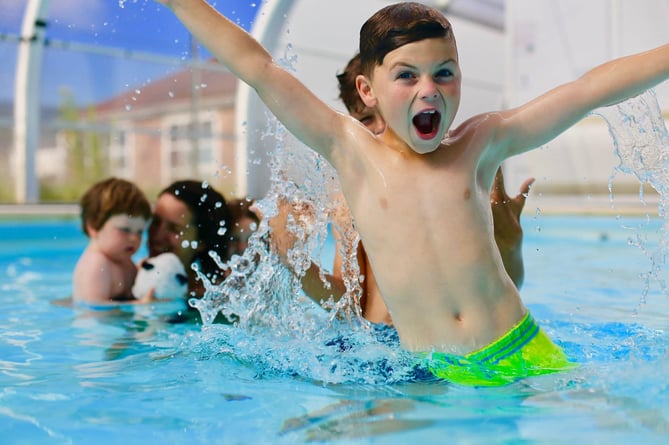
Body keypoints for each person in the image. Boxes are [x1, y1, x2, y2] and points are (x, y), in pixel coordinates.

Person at [155, 0, 669, 385]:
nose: (430, 89)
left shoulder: (479, 144)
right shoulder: (351, 152)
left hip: (524, 344)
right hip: (437, 369)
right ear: (367, 91)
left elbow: (585, 91)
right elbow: (261, 69)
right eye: (407, 75)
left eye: (445, 73)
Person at [270, 53, 533, 326]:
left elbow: (505, 292)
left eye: (390, 113)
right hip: (382, 345)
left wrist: (509, 243)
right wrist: (294, 262)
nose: (384, 127)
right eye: (368, 119)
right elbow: (350, 305)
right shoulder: (351, 199)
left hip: (449, 347)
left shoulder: (455, 181)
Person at [72, 177, 153, 305]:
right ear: (94, 226)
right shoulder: (96, 265)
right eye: (125, 229)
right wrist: (140, 305)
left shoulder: (122, 259)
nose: (134, 238)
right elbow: (94, 310)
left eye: (140, 231)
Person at [148, 180, 233, 300]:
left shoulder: (214, 297)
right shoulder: (126, 274)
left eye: (174, 229)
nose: (157, 236)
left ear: (201, 242)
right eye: (155, 221)